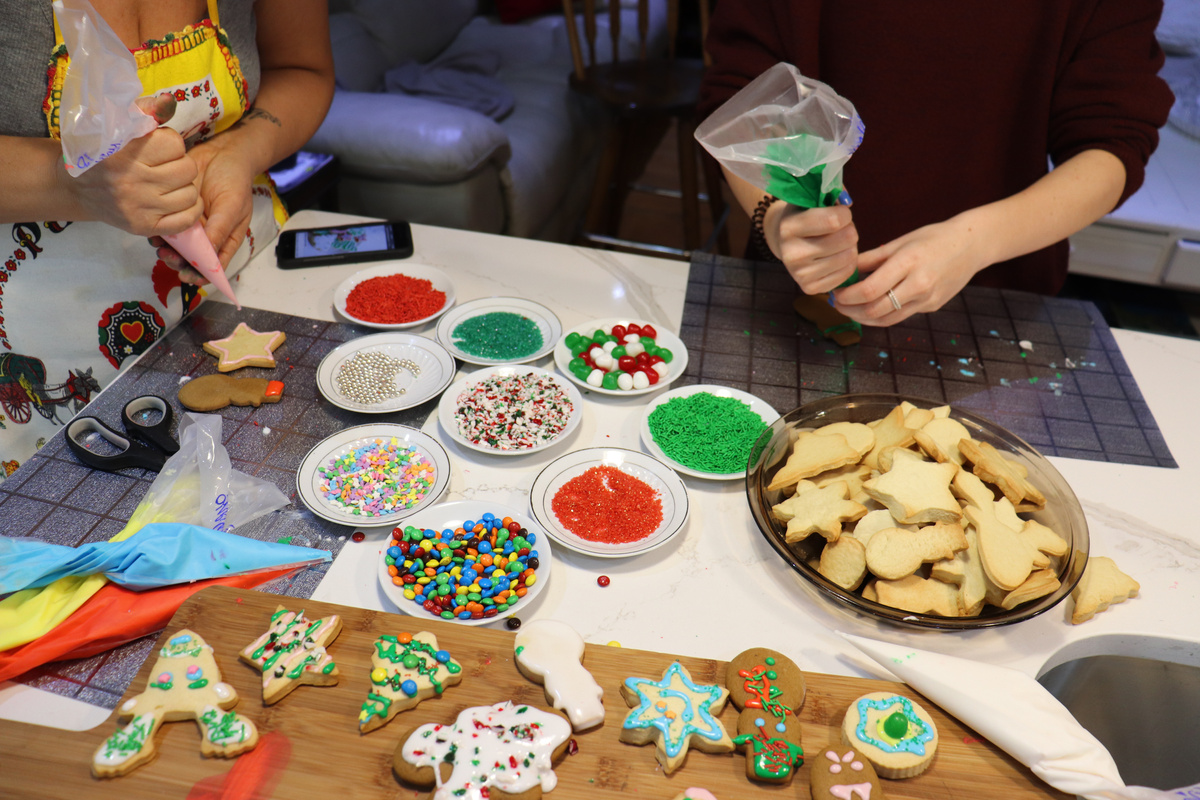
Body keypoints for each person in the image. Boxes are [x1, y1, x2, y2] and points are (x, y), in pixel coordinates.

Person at [0, 0, 334, 473]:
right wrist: (66, 181)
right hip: (45, 363)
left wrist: (238, 151)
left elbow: (302, 68)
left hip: (245, 283)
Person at [699, 2, 1175, 329]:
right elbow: (740, 101)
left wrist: (976, 241)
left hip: (996, 302)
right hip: (795, 299)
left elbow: (1114, 143)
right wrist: (780, 215)